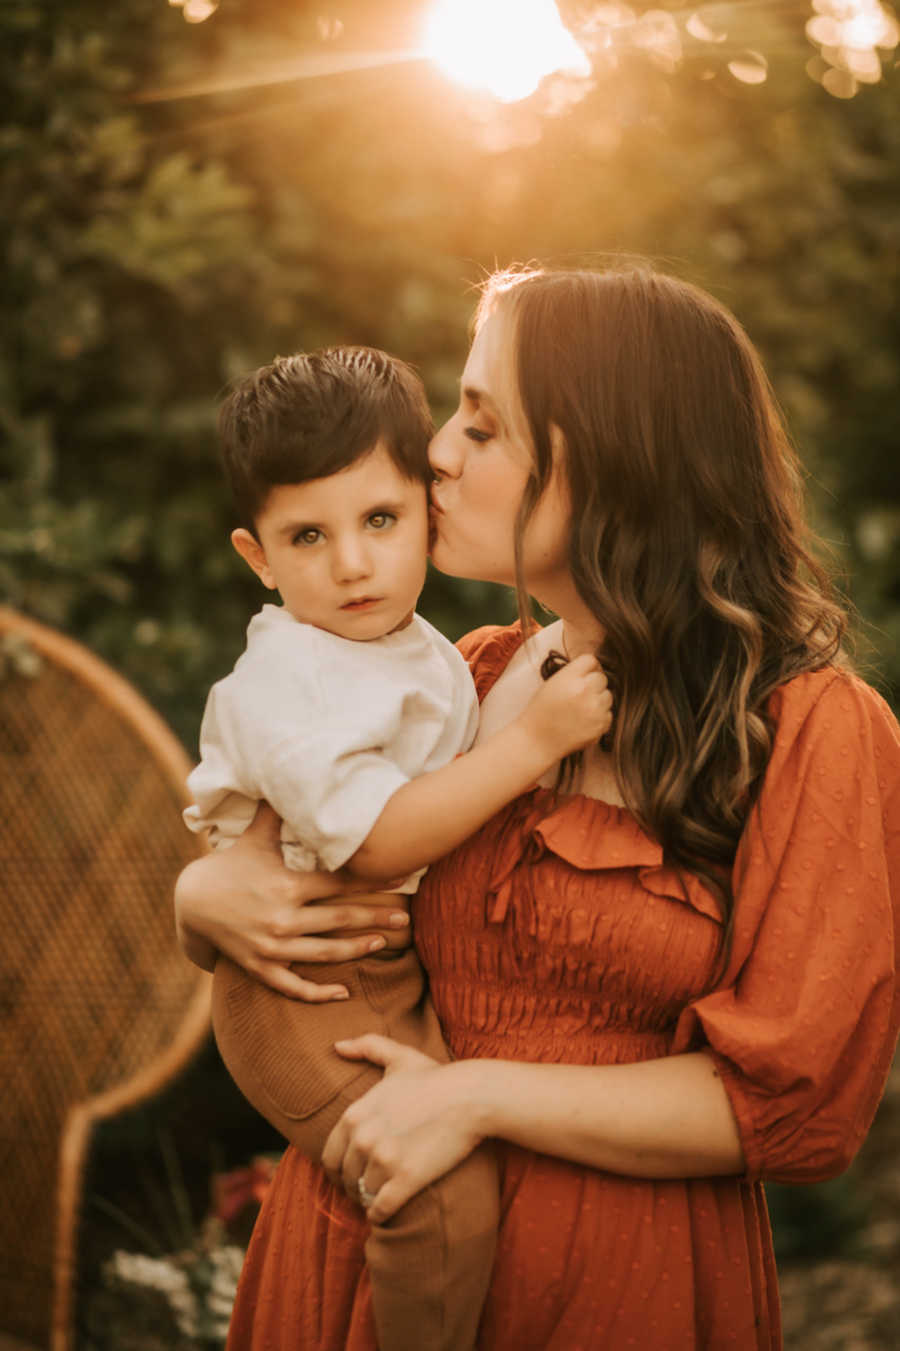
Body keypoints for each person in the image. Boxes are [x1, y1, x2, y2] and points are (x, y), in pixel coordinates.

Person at [175, 265, 900, 1351]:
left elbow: (799, 1109)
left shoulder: (812, 728)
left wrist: (475, 1098)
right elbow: (328, 854)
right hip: (358, 1242)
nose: (435, 455)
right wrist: (205, 898)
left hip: (611, 1279)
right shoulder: (466, 675)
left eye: (483, 424)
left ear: (617, 455)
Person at [182, 344, 612, 1351]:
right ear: (258, 556)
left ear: (423, 505)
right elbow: (375, 844)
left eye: (378, 519)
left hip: (371, 970)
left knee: (441, 1161)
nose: (351, 563)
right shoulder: (296, 674)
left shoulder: (414, 649)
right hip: (301, 990)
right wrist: (535, 741)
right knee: (431, 1183)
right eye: (307, 535)